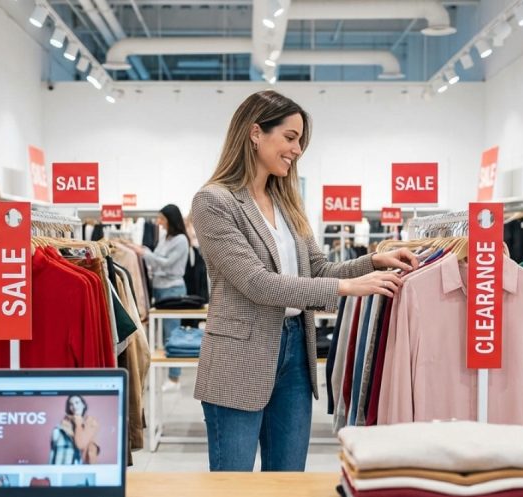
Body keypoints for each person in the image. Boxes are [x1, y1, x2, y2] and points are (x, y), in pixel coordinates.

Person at [189, 90, 418, 472]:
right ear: (255, 132)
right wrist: (346, 289)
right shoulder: (214, 202)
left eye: (300, 142)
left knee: (288, 482)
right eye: (290, 138)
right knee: (232, 491)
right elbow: (257, 283)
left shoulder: (287, 203)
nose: (296, 150)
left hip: (296, 350)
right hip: (239, 357)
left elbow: (319, 270)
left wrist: (371, 261)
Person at [122, 205, 191, 391]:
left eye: (161, 219)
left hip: (173, 290)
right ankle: (167, 375)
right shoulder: (165, 237)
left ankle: (174, 378)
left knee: (172, 334)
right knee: (161, 335)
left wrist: (145, 254)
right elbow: (158, 257)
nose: (158, 222)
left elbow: (167, 264)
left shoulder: (181, 240)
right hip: (160, 289)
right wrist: (142, 249)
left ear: (170, 219)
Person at [49, 395, 100, 465]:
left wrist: (78, 422)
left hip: (83, 468)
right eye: (71, 404)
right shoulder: (61, 427)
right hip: (63, 466)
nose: (75, 407)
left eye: (77, 402)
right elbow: (53, 453)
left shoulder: (91, 423)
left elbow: (80, 444)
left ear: (83, 405)